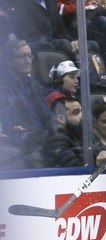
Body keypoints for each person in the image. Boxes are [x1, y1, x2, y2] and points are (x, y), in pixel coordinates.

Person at [0, 38, 51, 168]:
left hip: (43, 137)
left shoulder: (34, 85)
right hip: (24, 142)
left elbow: (47, 115)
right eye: (22, 56)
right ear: (9, 61)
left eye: (29, 56)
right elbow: (8, 125)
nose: (28, 60)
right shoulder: (3, 88)